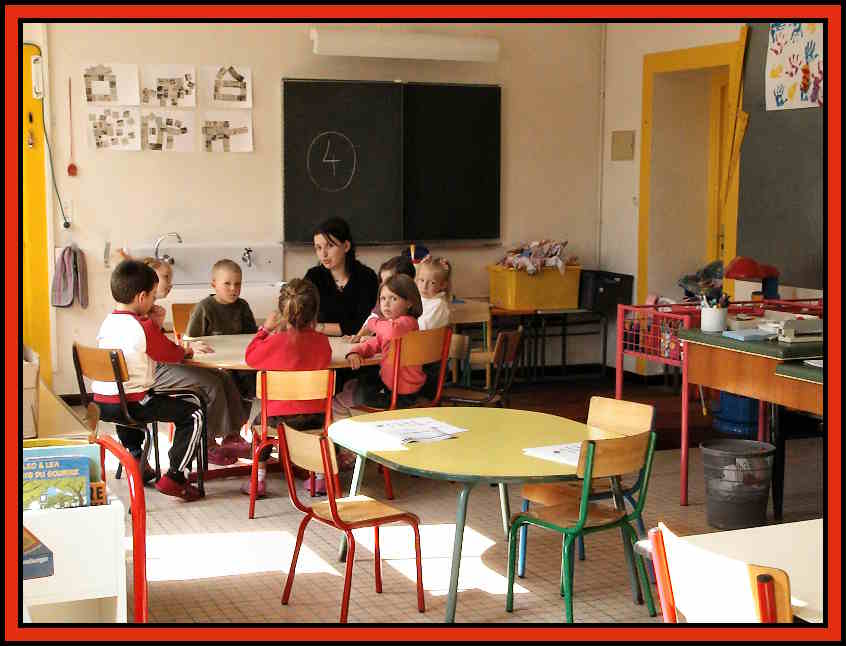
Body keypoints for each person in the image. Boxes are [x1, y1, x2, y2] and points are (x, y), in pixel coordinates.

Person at [91, 259, 204, 501]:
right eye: (153, 296)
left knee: (127, 396)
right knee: (194, 413)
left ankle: (135, 455)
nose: (154, 301)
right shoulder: (142, 326)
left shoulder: (108, 322)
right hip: (133, 404)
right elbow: (170, 354)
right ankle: (176, 477)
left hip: (101, 403)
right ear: (142, 297)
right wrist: (185, 350)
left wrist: (153, 325)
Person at [141, 257, 251, 466]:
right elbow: (163, 350)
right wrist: (186, 350)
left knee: (224, 378)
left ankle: (232, 436)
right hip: (153, 372)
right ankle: (207, 443)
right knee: (212, 384)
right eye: (165, 277)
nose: (170, 282)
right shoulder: (142, 313)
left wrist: (160, 327)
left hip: (161, 365)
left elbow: (160, 345)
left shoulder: (151, 310)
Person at [244, 279, 332, 497]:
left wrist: (265, 330)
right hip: (316, 417)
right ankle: (319, 479)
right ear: (314, 313)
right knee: (319, 434)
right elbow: (324, 359)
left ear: (283, 312)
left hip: (279, 420)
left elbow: (250, 357)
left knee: (258, 427)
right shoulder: (322, 342)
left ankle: (259, 479)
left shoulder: (275, 343)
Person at [339, 274, 425, 411]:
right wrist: (355, 352)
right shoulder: (391, 325)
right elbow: (374, 343)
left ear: (409, 303)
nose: (386, 304)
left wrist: (372, 322)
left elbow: (391, 331)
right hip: (391, 386)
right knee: (357, 384)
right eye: (383, 298)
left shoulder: (408, 323)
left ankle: (346, 407)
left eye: (394, 298)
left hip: (403, 394)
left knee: (355, 395)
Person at [186, 259, 258, 402]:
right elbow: (190, 340)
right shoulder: (204, 308)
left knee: (254, 375)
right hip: (215, 364)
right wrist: (194, 345)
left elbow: (252, 337)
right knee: (227, 381)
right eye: (227, 283)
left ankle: (245, 403)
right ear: (214, 285)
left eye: (238, 284)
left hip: (239, 362)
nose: (233, 288)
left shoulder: (243, 306)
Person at [304, 217, 379, 338]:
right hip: (320, 342)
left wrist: (319, 327)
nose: (323, 254)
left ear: (346, 246)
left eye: (330, 245)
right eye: (318, 248)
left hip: (356, 343)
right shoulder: (313, 277)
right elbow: (301, 317)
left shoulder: (366, 277)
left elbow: (365, 324)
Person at [350, 255, 416, 342]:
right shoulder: (385, 300)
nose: (384, 286)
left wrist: (373, 330)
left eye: (389, 280)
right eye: (382, 281)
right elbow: (374, 317)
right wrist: (359, 336)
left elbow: (392, 332)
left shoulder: (413, 311)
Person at [415, 255, 453, 398]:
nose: (424, 286)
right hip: (420, 361)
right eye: (421, 280)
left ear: (443, 285)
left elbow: (421, 328)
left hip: (431, 368)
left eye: (431, 283)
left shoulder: (438, 305)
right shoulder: (420, 300)